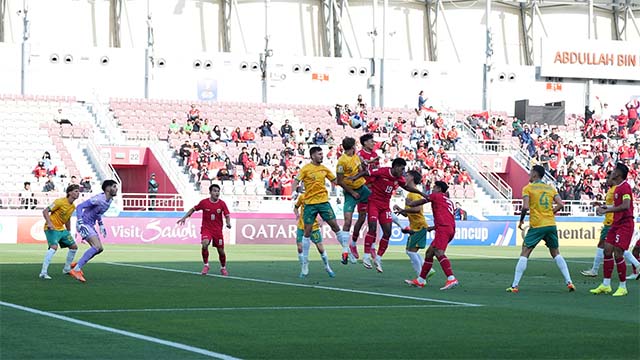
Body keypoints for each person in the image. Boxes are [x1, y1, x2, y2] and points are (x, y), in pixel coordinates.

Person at [503, 165, 574, 293]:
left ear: (535, 174)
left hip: (537, 225)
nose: (529, 175)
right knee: (556, 253)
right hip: (550, 224)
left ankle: (514, 286)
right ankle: (569, 282)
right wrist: (551, 212)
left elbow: (525, 207)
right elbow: (561, 204)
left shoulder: (528, 188)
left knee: (525, 252)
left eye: (530, 172)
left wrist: (521, 220)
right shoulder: (550, 188)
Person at [292, 146, 351, 274]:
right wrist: (293, 192)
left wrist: (348, 183)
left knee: (335, 226)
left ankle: (346, 249)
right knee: (307, 232)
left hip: (324, 202)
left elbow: (336, 181)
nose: (321, 156)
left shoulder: (324, 169)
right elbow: (296, 181)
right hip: (310, 204)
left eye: (322, 154)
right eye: (319, 154)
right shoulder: (306, 169)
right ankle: (305, 264)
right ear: (313, 156)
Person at [363, 157, 428, 273]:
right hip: (374, 203)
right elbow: (367, 174)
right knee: (372, 227)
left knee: (388, 233)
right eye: (402, 169)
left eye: (405, 172)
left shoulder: (401, 181)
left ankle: (378, 258)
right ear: (396, 167)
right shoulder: (383, 172)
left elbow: (408, 189)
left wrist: (421, 193)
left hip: (386, 207)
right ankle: (366, 256)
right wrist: (354, 178)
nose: (403, 173)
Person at [591, 163, 639, 296]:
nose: (611, 172)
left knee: (618, 253)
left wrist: (609, 209)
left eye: (614, 170)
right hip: (616, 223)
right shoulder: (617, 188)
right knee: (607, 250)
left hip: (625, 224)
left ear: (618, 174)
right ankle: (606, 284)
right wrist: (605, 207)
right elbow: (617, 205)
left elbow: (626, 205)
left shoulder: (625, 187)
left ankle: (622, 287)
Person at [404, 180, 460, 290]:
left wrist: (410, 204)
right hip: (449, 228)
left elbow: (423, 200)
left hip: (443, 229)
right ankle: (421, 280)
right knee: (429, 253)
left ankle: (451, 278)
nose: (432, 189)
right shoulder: (449, 201)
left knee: (439, 252)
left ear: (439, 189)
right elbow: (447, 217)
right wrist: (433, 227)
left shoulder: (436, 196)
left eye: (434, 187)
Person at [68, 180, 119, 283]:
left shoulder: (109, 201)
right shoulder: (99, 199)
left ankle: (78, 264)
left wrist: (100, 224)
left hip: (90, 224)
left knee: (100, 249)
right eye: (114, 186)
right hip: (84, 224)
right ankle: (76, 269)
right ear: (108, 188)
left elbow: (98, 213)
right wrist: (80, 222)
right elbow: (79, 207)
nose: (116, 188)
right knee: (96, 246)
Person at [177, 184, 232, 276]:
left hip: (217, 230)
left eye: (218, 191)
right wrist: (184, 218)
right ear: (210, 192)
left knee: (221, 251)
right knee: (205, 244)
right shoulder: (204, 203)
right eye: (214, 191)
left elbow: (227, 215)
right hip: (206, 229)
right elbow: (193, 209)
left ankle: (223, 268)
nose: (216, 193)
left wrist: (228, 223)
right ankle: (206, 265)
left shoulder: (222, 204)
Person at [393, 170, 436, 279]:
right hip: (416, 226)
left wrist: (404, 209)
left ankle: (420, 277)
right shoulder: (411, 193)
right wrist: (401, 210)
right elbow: (408, 214)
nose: (405, 177)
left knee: (411, 252)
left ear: (411, 178)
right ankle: (427, 270)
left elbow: (417, 209)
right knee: (410, 251)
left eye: (407, 175)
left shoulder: (414, 193)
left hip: (418, 226)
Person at [336, 137, 371, 264]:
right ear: (352, 147)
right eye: (355, 146)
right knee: (348, 221)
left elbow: (362, 171)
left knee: (377, 201)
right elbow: (339, 181)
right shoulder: (341, 162)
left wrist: (362, 169)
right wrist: (352, 192)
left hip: (362, 188)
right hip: (350, 193)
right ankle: (345, 251)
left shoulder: (356, 157)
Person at [39, 184, 81, 279]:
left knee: (74, 247)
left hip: (62, 229)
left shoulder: (73, 206)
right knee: (54, 247)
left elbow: (67, 218)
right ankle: (43, 272)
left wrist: (69, 230)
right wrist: (49, 223)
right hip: (51, 228)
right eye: (76, 191)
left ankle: (66, 268)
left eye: (78, 191)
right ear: (69, 192)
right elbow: (45, 211)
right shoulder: (60, 201)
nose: (78, 193)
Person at [350, 133, 381, 261]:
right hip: (364, 189)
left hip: (375, 190)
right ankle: (353, 244)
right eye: (371, 141)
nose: (373, 143)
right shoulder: (360, 155)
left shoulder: (375, 155)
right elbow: (362, 168)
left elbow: (377, 170)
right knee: (362, 217)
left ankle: (372, 246)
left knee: (374, 219)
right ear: (365, 143)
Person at [581, 173, 615, 277]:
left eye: (608, 178)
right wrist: (600, 205)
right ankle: (637, 265)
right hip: (610, 221)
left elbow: (617, 205)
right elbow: (611, 205)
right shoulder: (611, 190)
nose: (606, 180)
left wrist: (603, 208)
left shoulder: (615, 190)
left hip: (610, 222)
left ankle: (594, 270)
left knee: (602, 245)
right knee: (618, 248)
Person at [294, 193, 331, 278]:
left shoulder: (317, 197)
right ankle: (304, 266)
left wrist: (322, 219)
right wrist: (297, 214)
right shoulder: (302, 197)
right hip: (302, 226)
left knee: (320, 248)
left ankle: (327, 266)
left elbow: (323, 210)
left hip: (313, 227)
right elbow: (296, 207)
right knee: (300, 248)